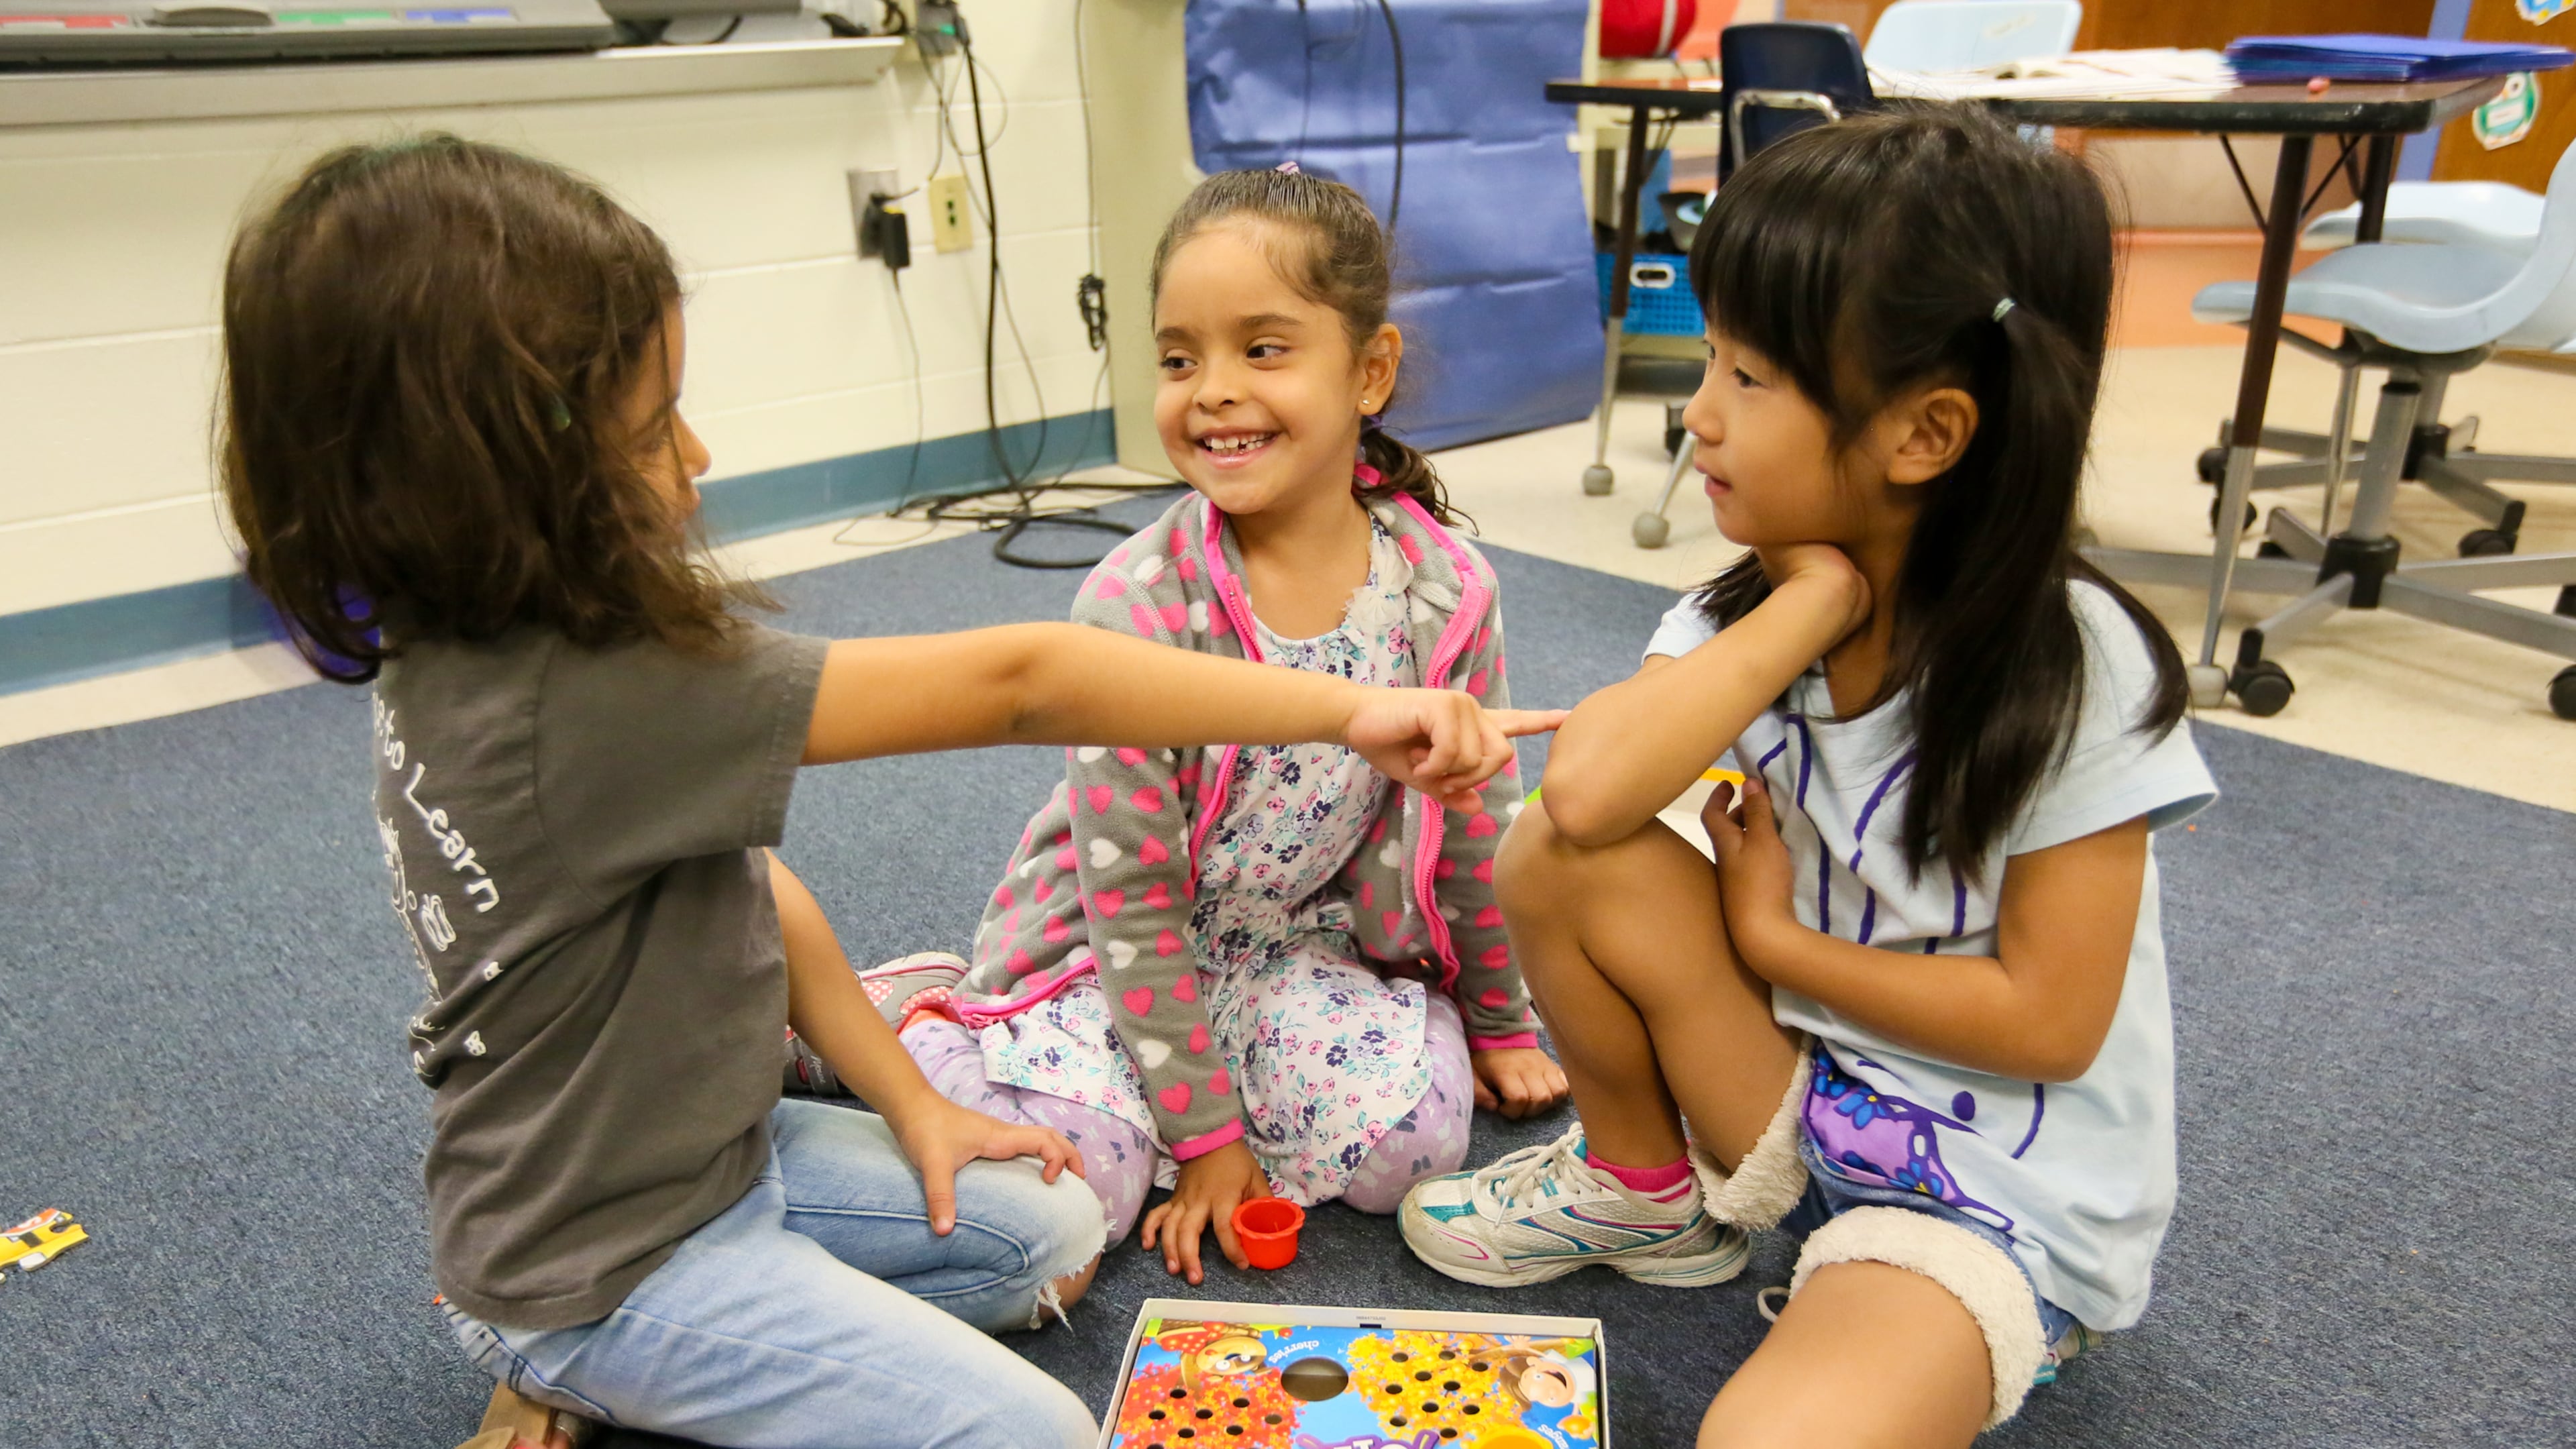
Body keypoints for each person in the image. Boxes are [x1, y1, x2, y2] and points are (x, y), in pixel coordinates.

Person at [219, 135, 1545, 1449]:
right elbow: (1022, 682)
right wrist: (1353, 708)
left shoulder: (479, 646)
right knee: (1041, 1437)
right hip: (614, 1262)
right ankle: (567, 1353)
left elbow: (753, 881)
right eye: (648, 429)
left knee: (1055, 1230)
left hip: (719, 1162)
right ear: (497, 475)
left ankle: (629, 1315)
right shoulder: (599, 706)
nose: (699, 454)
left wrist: (916, 1109)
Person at [1397, 107, 2217, 1447]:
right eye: (1707, 359)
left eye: (1753, 378)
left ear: (1925, 435)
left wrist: (1773, 937)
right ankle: (1643, 1188)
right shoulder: (1759, 614)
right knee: (1558, 849)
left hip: (1983, 1196)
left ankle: (1973, 1316)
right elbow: (1587, 801)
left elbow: (2051, 1023)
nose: (1698, 413)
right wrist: (1815, 602)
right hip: (1807, 1100)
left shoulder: (2073, 664)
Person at [833, 164, 1570, 1287]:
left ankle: (1242, 1087)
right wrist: (1210, 1140)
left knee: (1418, 1145)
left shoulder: (1442, 587)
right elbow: (1130, 902)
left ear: (1371, 371)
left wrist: (1503, 1016)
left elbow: (1478, 823)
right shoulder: (1134, 606)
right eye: (1180, 358)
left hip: (1285, 949)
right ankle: (912, 1011)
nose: (1212, 391)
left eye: (1263, 350)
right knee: (1078, 1191)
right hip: (1107, 959)